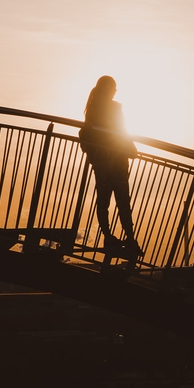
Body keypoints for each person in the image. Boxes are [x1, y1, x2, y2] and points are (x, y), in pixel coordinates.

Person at [79, 76, 141, 256]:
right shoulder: (114, 107)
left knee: (104, 201)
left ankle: (109, 236)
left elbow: (90, 134)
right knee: (123, 202)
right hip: (117, 161)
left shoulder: (91, 108)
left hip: (102, 162)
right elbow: (122, 131)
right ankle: (129, 238)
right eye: (114, 88)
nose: (115, 91)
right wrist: (131, 149)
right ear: (108, 89)